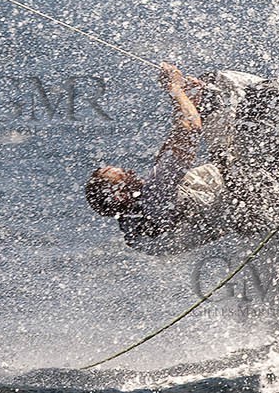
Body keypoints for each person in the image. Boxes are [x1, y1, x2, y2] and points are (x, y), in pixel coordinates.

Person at [85, 63, 233, 255]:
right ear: (119, 195)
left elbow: (173, 146)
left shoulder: (135, 228)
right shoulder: (156, 195)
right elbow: (191, 127)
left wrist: (188, 101)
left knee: (203, 100)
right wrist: (174, 88)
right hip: (247, 185)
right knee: (214, 83)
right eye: (124, 176)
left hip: (236, 216)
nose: (131, 172)